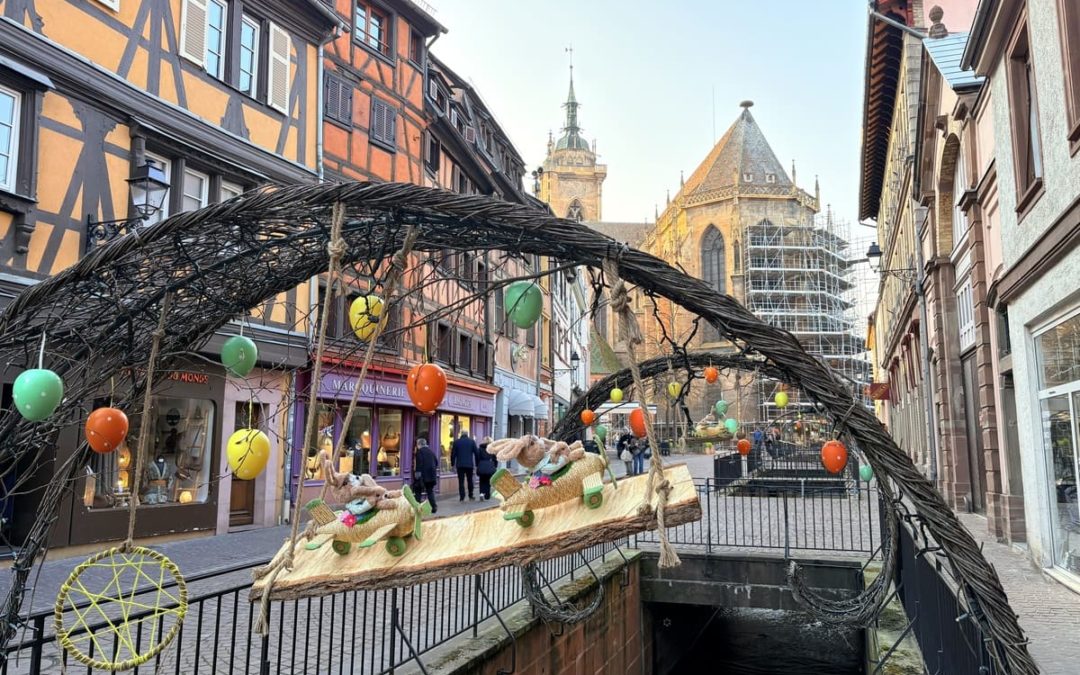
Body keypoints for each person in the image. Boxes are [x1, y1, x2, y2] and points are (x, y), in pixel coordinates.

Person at [412, 437, 439, 514]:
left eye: (417, 444)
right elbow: (436, 462)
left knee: (418, 491)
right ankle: (434, 507)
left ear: (419, 444)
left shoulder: (419, 452)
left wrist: (417, 475)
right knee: (430, 491)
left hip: (423, 476)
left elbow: (419, 464)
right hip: (432, 475)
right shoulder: (431, 451)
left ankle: (417, 508)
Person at [450, 431, 478, 501]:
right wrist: (477, 464)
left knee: (461, 481)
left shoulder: (456, 442)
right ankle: (471, 495)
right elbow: (476, 453)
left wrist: (452, 464)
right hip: (469, 465)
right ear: (467, 434)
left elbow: (453, 454)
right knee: (470, 480)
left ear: (461, 434)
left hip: (460, 465)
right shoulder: (472, 442)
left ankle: (462, 497)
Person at [476, 436, 496, 501]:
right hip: (489, 467)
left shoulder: (480, 449)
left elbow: (477, 458)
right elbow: (495, 459)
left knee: (482, 481)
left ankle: (481, 493)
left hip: (482, 466)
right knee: (488, 481)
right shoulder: (492, 449)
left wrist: (478, 465)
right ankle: (487, 495)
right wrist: (495, 466)